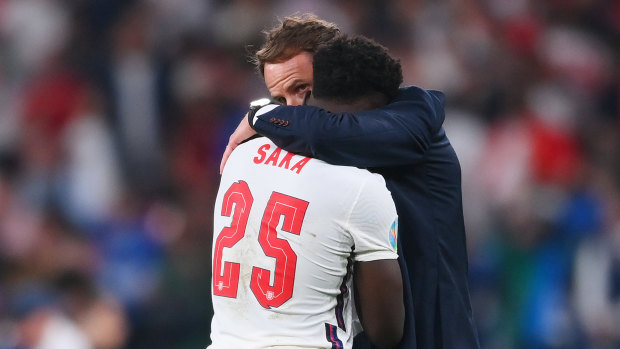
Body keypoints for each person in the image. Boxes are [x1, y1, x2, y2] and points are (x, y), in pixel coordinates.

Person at [221, 14, 480, 349]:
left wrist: (262, 115)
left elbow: (331, 132)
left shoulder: (413, 115)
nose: (296, 108)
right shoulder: (296, 149)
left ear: (334, 67)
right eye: (281, 100)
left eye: (302, 89)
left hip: (433, 335)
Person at [209, 35, 405, 349]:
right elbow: (386, 332)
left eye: (298, 89)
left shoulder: (240, 154)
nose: (292, 106)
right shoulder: (360, 185)